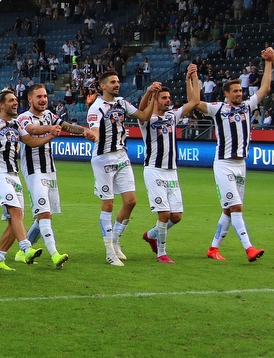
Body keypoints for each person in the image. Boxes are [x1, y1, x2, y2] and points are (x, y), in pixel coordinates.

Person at [195, 48, 273, 262]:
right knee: (236, 207)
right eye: (235, 91)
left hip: (241, 166)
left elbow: (265, 87)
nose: (240, 94)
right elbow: (195, 102)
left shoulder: (248, 107)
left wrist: (269, 62)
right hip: (224, 165)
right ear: (226, 94)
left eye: (241, 90)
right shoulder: (217, 109)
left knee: (229, 210)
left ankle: (213, 248)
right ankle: (249, 248)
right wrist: (192, 78)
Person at [0, 89, 59, 271]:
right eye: (11, 100)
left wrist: (50, 136)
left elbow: (31, 142)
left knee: (16, 220)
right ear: (2, 104)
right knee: (15, 212)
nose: (16, 103)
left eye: (16, 100)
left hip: (14, 176)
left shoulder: (16, 125)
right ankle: (26, 249)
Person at [17, 84, 97, 269]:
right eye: (39, 97)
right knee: (45, 214)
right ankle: (55, 254)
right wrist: (51, 130)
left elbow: (66, 126)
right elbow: (32, 131)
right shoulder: (23, 118)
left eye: (45, 96)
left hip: (50, 170)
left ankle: (22, 251)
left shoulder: (49, 115)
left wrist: (84, 131)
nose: (43, 99)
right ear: (30, 99)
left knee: (44, 216)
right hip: (33, 171)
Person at [136, 65, 200, 264]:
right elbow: (140, 109)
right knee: (164, 213)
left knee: (177, 216)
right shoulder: (147, 120)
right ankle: (161, 253)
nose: (168, 100)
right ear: (156, 100)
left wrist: (192, 77)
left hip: (172, 172)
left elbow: (195, 101)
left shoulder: (173, 116)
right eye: (164, 98)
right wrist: (149, 93)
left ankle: (151, 235)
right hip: (154, 170)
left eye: (169, 98)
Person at [88, 70, 151, 266]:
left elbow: (142, 115)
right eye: (113, 82)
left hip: (122, 156)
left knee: (131, 201)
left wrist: (150, 94)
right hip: (104, 159)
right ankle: (108, 251)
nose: (117, 84)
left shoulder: (122, 103)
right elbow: (95, 130)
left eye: (117, 81)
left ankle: (115, 240)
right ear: (103, 86)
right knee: (108, 204)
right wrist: (94, 135)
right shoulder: (96, 108)